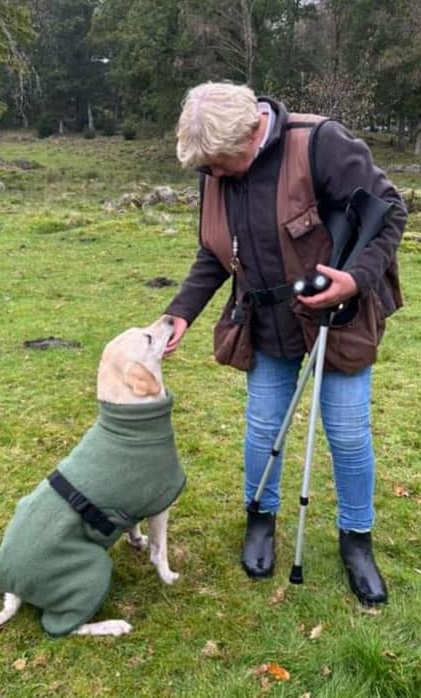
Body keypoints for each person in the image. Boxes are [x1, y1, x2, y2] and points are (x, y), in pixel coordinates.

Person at [162, 82, 407, 605]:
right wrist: (180, 312)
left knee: (347, 433)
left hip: (337, 315)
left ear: (253, 133)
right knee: (262, 425)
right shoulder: (216, 170)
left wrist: (356, 279)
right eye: (208, 169)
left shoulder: (320, 143)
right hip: (266, 321)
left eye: (220, 165)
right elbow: (214, 253)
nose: (214, 176)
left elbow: (389, 210)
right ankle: (260, 517)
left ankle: (357, 539)